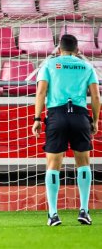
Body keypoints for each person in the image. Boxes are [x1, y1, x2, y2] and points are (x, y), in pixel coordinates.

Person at [32, 34, 100, 226]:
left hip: (57, 115)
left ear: (59, 49)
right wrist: (94, 121)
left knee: (53, 165)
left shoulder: (49, 65)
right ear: (77, 50)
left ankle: (53, 214)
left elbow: (41, 92)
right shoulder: (87, 67)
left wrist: (37, 118)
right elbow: (95, 97)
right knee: (84, 164)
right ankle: (84, 211)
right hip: (79, 116)